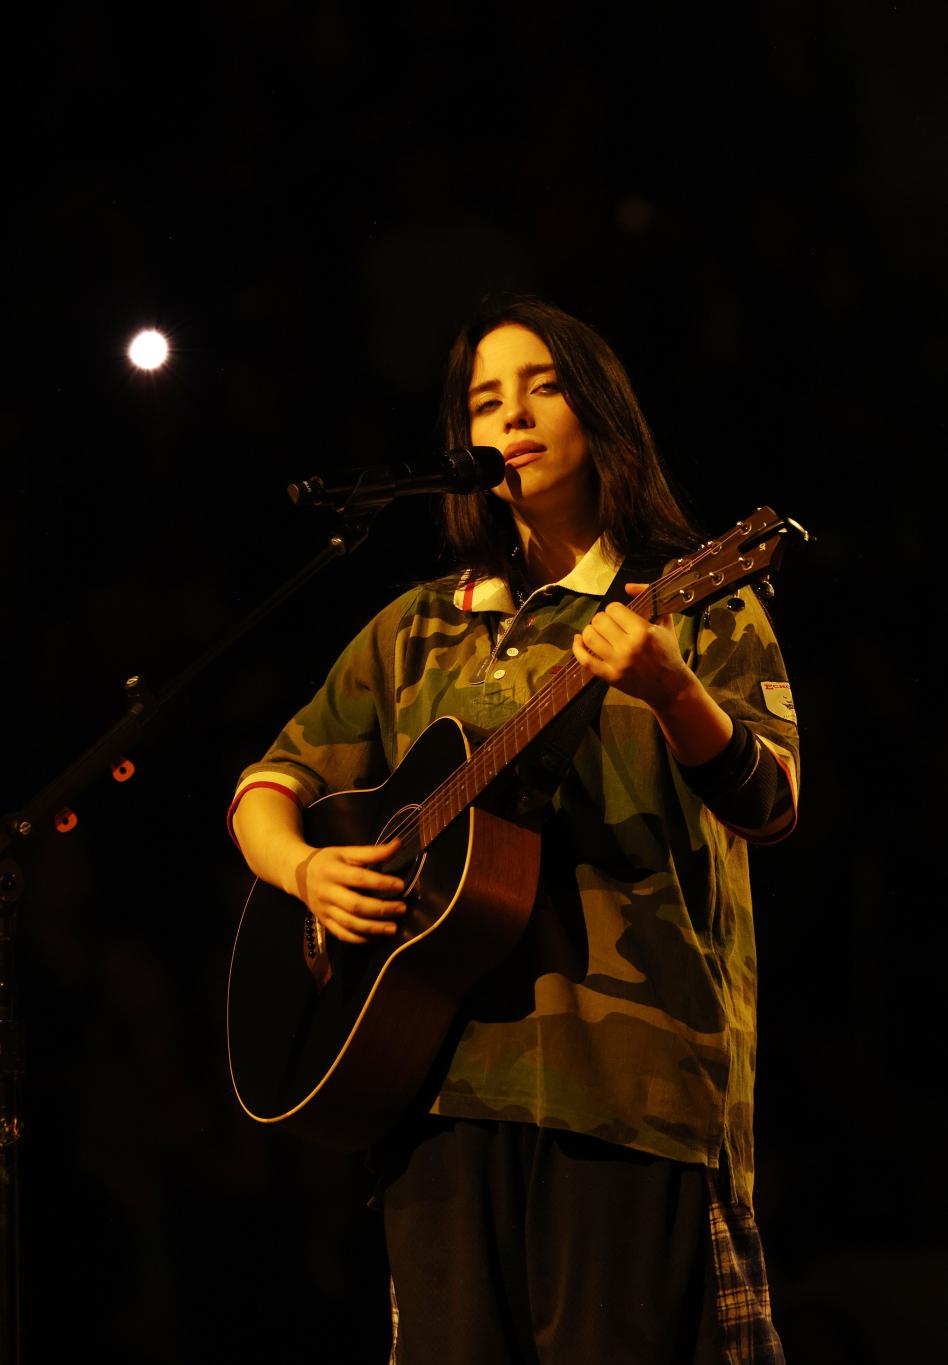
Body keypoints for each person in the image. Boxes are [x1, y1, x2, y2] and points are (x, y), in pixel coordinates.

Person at [227, 294, 800, 1363]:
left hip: (628, 1089)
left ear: (599, 414)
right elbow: (272, 780)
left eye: (542, 386)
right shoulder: (419, 626)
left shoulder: (696, 601)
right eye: (486, 401)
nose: (514, 415)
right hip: (432, 1092)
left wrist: (673, 691)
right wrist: (304, 871)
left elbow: (771, 804)